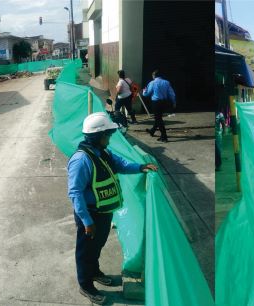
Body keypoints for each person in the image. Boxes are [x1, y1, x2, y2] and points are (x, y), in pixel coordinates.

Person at [67, 112, 158, 305]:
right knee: (85, 250)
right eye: (107, 134)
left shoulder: (104, 152)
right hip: (89, 214)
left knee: (97, 245)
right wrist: (86, 221)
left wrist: (141, 167)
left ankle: (95, 271)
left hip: (104, 212)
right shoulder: (81, 160)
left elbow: (120, 164)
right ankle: (86, 285)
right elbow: (75, 193)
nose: (109, 138)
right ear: (98, 136)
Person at [142, 69, 176, 143]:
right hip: (164, 102)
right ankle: (152, 131)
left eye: (152, 75)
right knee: (158, 117)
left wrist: (144, 91)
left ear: (154, 76)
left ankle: (164, 136)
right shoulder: (167, 82)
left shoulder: (152, 83)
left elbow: (147, 94)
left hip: (156, 103)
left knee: (158, 119)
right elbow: (172, 94)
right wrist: (174, 102)